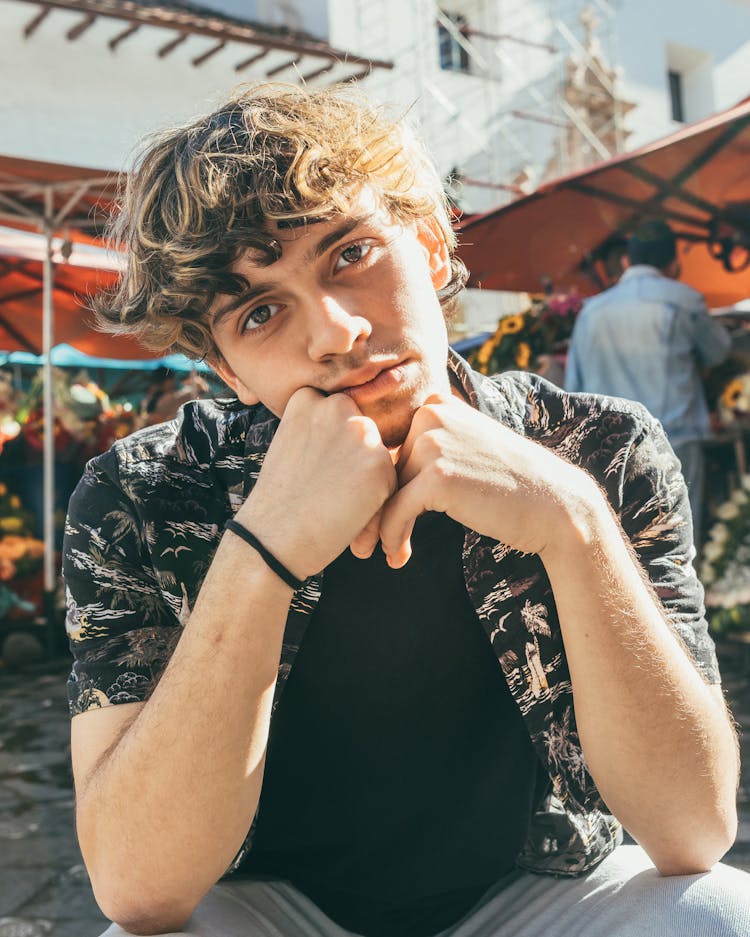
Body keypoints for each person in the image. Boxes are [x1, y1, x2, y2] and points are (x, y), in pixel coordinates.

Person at [63, 84, 749, 937]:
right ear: (231, 371)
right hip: (271, 906)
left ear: (427, 246)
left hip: (540, 890)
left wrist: (571, 521)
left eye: (349, 254)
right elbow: (135, 885)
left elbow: (694, 829)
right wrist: (262, 550)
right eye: (262, 311)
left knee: (718, 910)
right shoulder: (147, 493)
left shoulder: (597, 448)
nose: (337, 332)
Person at [565, 220, 731, 544]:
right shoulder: (683, 300)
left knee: (624, 548)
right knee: (678, 547)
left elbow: (575, 389)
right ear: (674, 263)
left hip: (610, 451)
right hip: (675, 442)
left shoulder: (591, 313)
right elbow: (720, 351)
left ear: (628, 261)